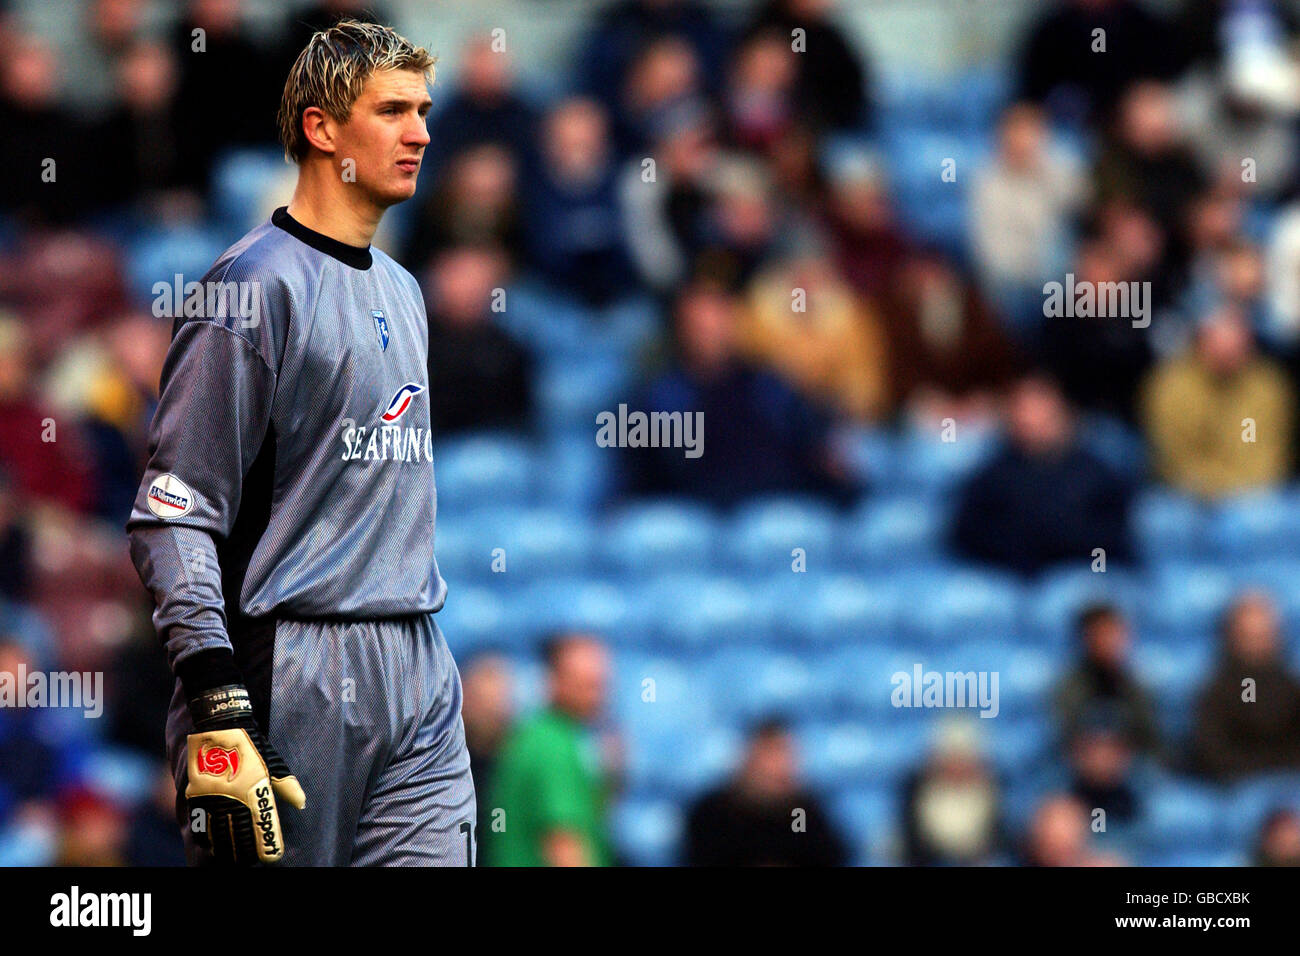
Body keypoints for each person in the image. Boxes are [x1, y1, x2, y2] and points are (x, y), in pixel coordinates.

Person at [125, 20, 477, 866]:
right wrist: (213, 690)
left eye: (424, 110)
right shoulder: (253, 287)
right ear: (321, 129)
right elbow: (174, 510)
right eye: (392, 110)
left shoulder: (405, 289)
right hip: (291, 662)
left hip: (418, 657)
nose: (421, 132)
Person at [951, 373, 1135, 577]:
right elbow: (968, 533)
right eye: (1022, 407)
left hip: (1079, 571)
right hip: (1010, 576)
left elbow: (1112, 536)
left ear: (1061, 411)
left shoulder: (1096, 473)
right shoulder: (992, 475)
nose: (1029, 417)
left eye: (1039, 406)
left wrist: (1057, 542)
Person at [488, 633, 617, 867]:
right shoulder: (554, 747)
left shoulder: (537, 736)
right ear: (554, 680)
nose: (597, 695)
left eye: (600, 684)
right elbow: (563, 843)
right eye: (586, 684)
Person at [1141, 305, 1294, 499]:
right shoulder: (1170, 386)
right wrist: (1213, 488)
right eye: (1218, 345)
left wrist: (1233, 491)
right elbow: (1172, 459)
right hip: (1185, 493)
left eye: (1235, 348)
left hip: (1249, 495)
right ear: (1200, 343)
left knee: (1268, 519)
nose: (1226, 354)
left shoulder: (1267, 388)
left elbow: (1266, 456)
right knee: (1159, 520)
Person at [685, 717, 849, 866]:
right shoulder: (715, 811)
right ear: (749, 759)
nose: (778, 766)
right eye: (770, 755)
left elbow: (819, 854)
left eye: (784, 754)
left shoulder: (800, 812)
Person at [1191, 591, 1300, 781]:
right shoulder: (1217, 690)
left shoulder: (1290, 687)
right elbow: (1213, 752)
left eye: (1264, 635)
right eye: (1249, 636)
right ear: (1232, 635)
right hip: (1234, 787)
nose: (1257, 645)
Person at [1053, 604, 1161, 759]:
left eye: (1114, 633)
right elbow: (1062, 737)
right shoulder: (1068, 689)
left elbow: (1150, 738)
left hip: (1128, 766)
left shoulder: (1137, 687)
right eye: (1101, 634)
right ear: (1086, 638)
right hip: (1079, 766)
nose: (1108, 641)